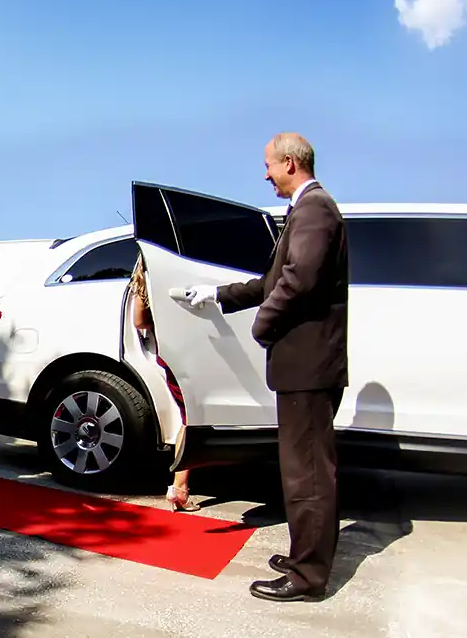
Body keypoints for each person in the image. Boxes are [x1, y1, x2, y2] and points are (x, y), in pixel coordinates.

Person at [185, 133, 348, 602]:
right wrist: (218, 295)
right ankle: (306, 554)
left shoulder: (315, 209)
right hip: (306, 367)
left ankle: (308, 577)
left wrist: (262, 326)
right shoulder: (308, 210)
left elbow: (298, 282)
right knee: (304, 469)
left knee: (309, 474)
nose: (266, 174)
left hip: (308, 366)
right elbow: (272, 280)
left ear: (291, 164)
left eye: (270, 165)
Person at [128, 257, 198, 512]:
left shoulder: (149, 279)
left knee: (190, 418)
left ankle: (179, 487)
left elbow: (139, 321)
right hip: (196, 351)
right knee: (193, 419)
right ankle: (179, 487)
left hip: (170, 354)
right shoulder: (189, 273)